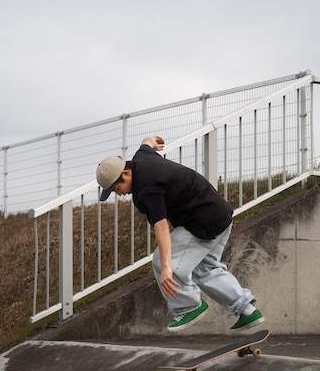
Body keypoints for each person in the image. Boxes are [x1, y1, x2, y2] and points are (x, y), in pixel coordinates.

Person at [96, 135, 264, 333]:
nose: (120, 194)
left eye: (117, 188)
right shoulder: (142, 157)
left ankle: (188, 306)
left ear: (126, 173)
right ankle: (247, 309)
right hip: (220, 215)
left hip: (201, 223)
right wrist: (152, 140)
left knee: (161, 260)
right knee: (206, 269)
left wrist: (167, 267)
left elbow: (161, 227)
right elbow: (146, 143)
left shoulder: (147, 189)